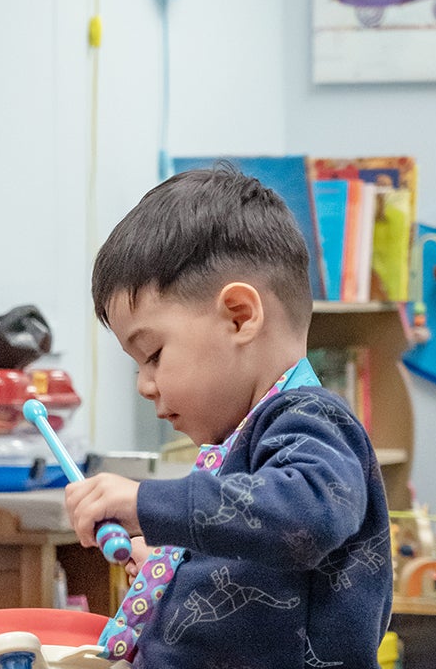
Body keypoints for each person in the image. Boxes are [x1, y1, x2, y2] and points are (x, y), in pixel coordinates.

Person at [67, 165, 392, 667]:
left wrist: (145, 502)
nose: (144, 384)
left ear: (240, 316)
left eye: (153, 354)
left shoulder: (314, 418)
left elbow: (306, 515)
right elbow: (257, 556)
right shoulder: (253, 438)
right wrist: (176, 569)